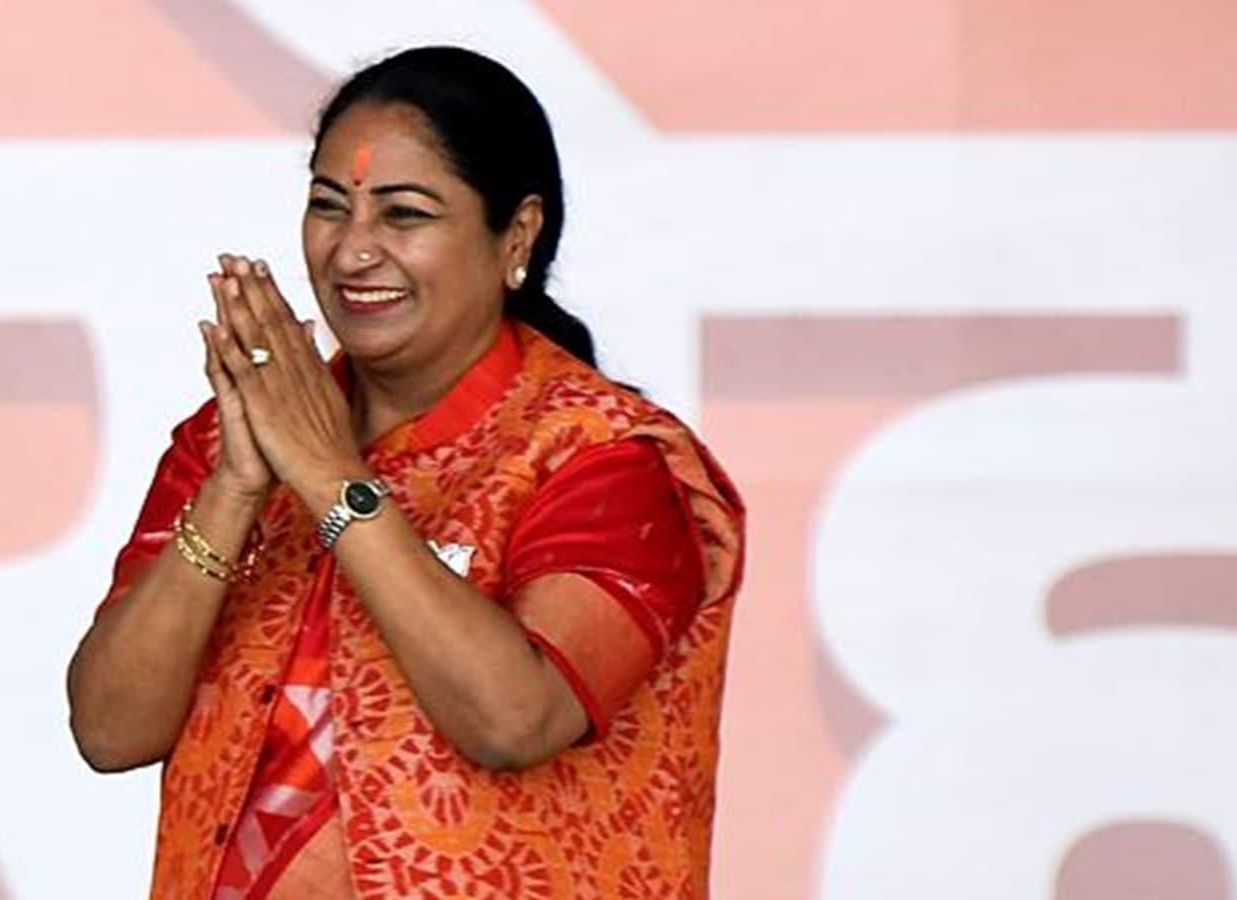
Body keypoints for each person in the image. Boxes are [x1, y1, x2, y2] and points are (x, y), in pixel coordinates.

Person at [66, 46, 744, 900]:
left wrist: (328, 477)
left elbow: (514, 720)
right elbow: (109, 731)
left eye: (404, 214)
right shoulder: (235, 437)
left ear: (517, 235)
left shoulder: (600, 457)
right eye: (329, 205)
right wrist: (236, 489)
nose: (353, 251)